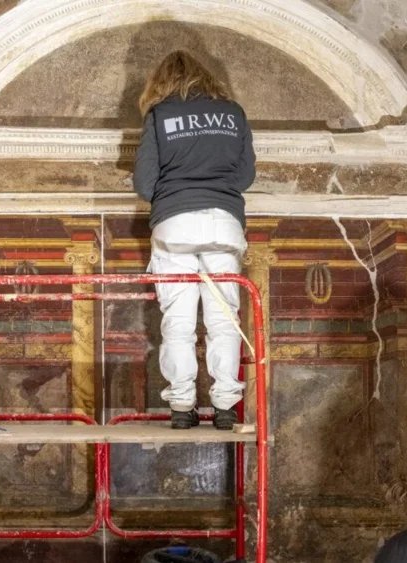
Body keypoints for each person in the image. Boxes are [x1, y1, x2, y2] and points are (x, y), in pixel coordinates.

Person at [132, 51, 256, 430]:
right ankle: (225, 406)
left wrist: (176, 192)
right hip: (223, 224)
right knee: (224, 318)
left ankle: (182, 406)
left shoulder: (160, 116)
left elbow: (144, 184)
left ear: (161, 81)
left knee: (178, 320)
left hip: (174, 224)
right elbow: (245, 177)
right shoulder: (233, 114)